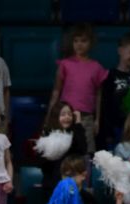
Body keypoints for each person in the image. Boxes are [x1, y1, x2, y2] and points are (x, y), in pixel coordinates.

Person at [48, 24, 108, 154]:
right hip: (66, 116)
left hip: (86, 118)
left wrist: (97, 120)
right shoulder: (65, 64)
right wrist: (50, 115)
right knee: (64, 151)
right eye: (76, 41)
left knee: (87, 152)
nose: (79, 44)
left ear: (91, 43)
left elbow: (99, 95)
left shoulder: (96, 67)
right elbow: (56, 91)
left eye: (83, 41)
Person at [99, 32, 130, 150]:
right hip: (115, 130)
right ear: (120, 51)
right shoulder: (110, 76)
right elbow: (105, 106)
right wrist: (107, 132)